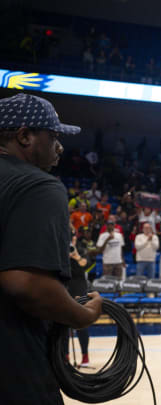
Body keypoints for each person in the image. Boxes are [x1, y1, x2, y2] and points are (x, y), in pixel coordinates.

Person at [0, 93, 103, 404]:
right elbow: (27, 284)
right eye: (54, 136)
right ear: (25, 136)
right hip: (14, 370)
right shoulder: (38, 185)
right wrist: (82, 316)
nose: (60, 146)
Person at [64, 226, 93, 367]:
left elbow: (85, 264)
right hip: (64, 285)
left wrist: (76, 256)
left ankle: (85, 356)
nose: (72, 239)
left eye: (73, 237)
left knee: (80, 322)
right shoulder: (60, 248)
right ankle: (65, 356)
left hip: (79, 286)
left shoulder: (80, 248)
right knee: (63, 323)